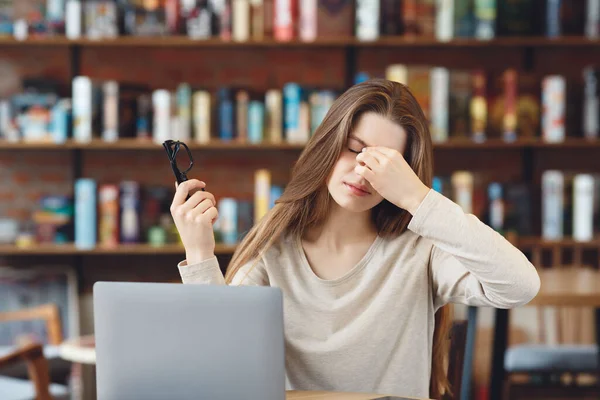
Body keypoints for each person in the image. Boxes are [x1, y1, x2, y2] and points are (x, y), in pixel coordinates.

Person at [170, 79, 540, 399]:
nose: (363, 171)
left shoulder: (420, 250)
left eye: (386, 162)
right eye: (353, 148)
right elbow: (219, 365)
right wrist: (200, 253)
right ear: (328, 144)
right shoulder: (274, 250)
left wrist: (417, 198)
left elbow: (519, 285)